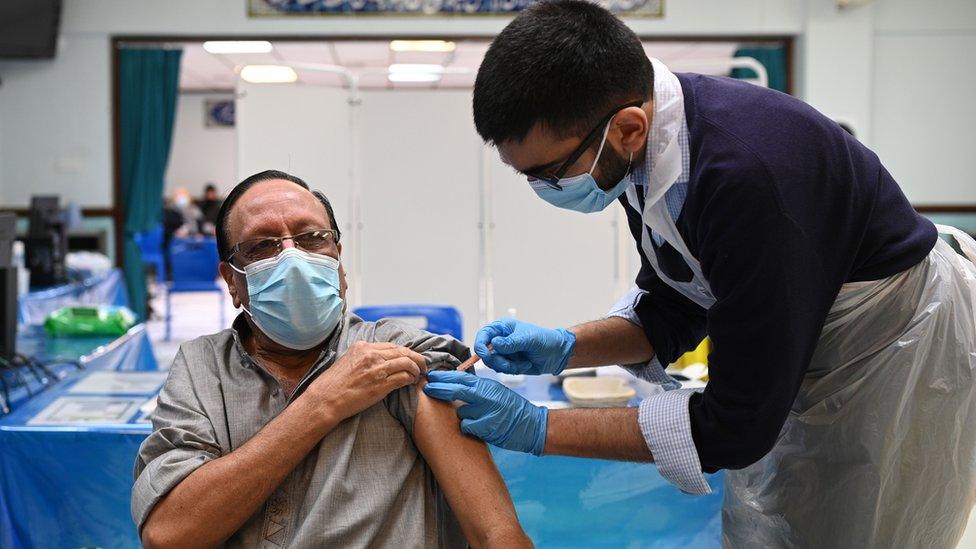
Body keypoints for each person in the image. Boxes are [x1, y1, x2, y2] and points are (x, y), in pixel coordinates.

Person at [422, 2, 976, 546]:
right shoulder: (648, 151)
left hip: (895, 355)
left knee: (858, 529)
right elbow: (676, 302)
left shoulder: (748, 175)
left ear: (629, 128)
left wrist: (537, 426)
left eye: (551, 173)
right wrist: (567, 347)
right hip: (813, 349)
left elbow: (734, 428)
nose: (544, 189)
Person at [132, 170, 529, 548]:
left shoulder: (401, 356)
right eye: (262, 246)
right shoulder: (202, 367)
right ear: (232, 281)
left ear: (339, 260)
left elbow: (495, 534)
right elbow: (169, 534)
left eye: (312, 238)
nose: (293, 259)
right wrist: (322, 403)